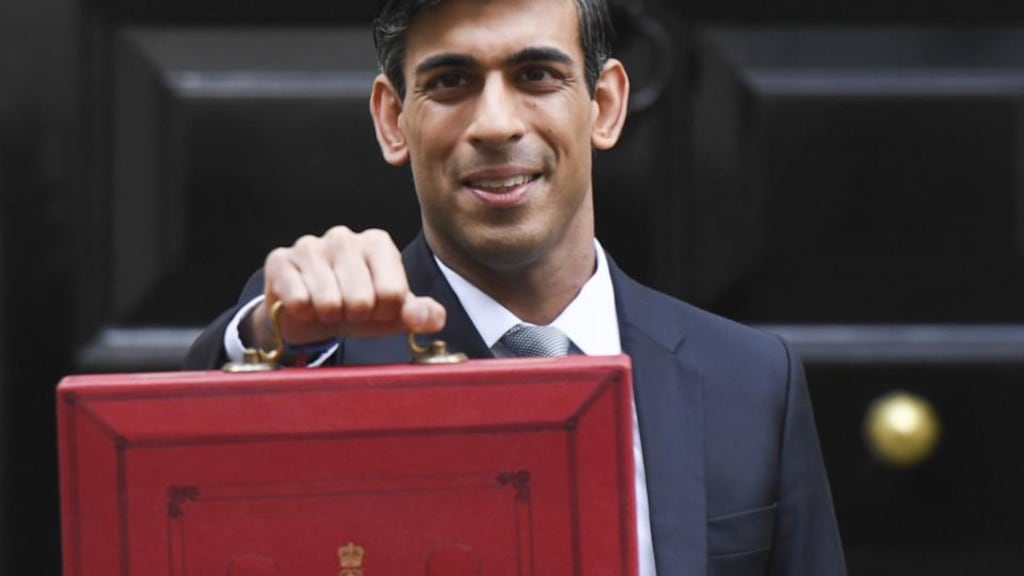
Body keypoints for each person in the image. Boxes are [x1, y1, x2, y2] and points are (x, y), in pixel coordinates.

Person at [185, 0, 846, 573]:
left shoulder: (755, 383)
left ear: (606, 106)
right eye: (450, 82)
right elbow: (184, 477)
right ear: (392, 120)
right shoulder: (315, 345)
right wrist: (268, 336)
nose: (496, 123)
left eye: (536, 75)